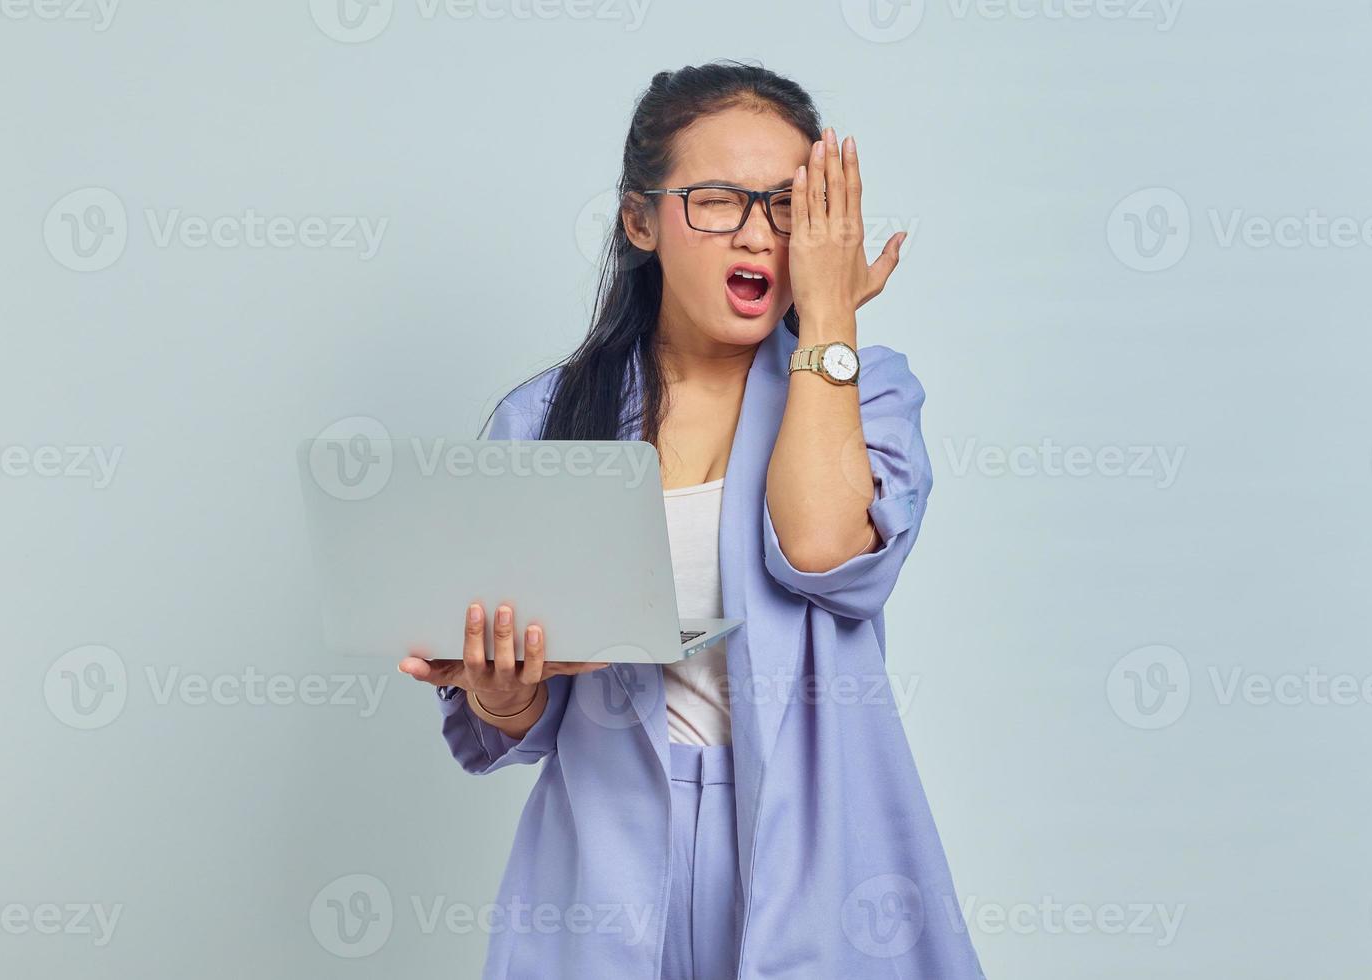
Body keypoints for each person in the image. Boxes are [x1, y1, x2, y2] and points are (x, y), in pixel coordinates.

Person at [399, 60, 985, 979]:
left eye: (790, 206)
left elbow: (823, 548)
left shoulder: (866, 389)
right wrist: (502, 694)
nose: (759, 234)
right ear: (641, 221)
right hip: (605, 863)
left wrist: (828, 320)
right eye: (719, 201)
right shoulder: (544, 418)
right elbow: (526, 714)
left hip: (816, 855)